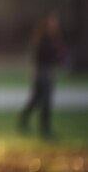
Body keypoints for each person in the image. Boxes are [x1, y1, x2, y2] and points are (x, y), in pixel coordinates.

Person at [18, 11, 65, 139]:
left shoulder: (55, 37)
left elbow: (57, 56)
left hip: (49, 72)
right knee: (44, 101)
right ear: (46, 23)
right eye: (52, 21)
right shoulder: (42, 38)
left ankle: (24, 119)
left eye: (55, 21)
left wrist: (58, 58)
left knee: (37, 99)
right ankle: (44, 129)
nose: (55, 24)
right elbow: (37, 56)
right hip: (41, 73)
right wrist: (33, 70)